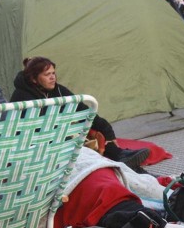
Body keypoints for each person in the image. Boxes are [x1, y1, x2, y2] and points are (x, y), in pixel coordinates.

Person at [9, 57, 150, 171]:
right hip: (36, 146)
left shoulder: (56, 90)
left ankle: (120, 157)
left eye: (53, 73)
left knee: (91, 127)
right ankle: (119, 159)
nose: (52, 78)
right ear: (34, 79)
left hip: (60, 136)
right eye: (47, 75)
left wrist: (106, 130)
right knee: (80, 133)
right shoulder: (22, 97)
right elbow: (38, 130)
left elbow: (83, 110)